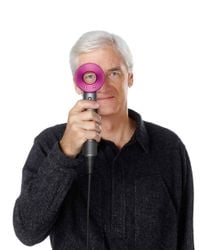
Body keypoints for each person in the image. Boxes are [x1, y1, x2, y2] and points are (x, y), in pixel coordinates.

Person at [13, 30, 194, 250]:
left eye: (114, 73)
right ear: (78, 84)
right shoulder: (49, 143)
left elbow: (184, 239)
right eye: (91, 75)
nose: (103, 86)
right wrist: (66, 152)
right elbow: (27, 232)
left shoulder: (169, 147)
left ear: (130, 77)